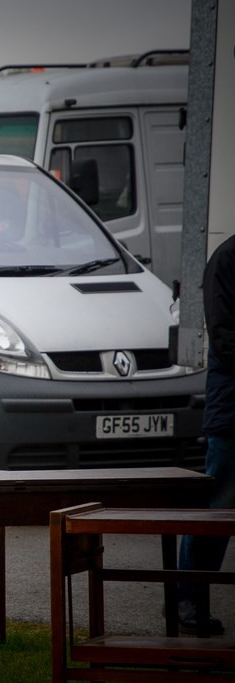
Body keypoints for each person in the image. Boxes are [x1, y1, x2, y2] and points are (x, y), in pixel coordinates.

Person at [177, 232, 235, 636]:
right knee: (217, 511)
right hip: (233, 413)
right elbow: (225, 336)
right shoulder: (227, 260)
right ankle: (187, 600)